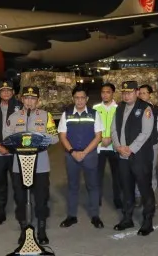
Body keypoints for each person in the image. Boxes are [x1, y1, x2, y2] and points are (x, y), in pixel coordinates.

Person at [3, 86, 59, 245]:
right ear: (22, 99)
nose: (29, 101)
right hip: (19, 165)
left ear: (38, 101)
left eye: (33, 98)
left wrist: (39, 137)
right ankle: (24, 228)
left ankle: (41, 229)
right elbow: (6, 138)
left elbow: (55, 138)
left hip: (40, 165)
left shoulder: (46, 116)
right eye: (27, 98)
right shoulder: (13, 117)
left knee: (41, 198)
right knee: (20, 198)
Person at [111, 81, 155, 236]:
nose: (126, 95)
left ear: (137, 92)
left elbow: (146, 132)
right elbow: (113, 129)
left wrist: (130, 149)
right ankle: (127, 218)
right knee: (126, 189)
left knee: (145, 189)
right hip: (123, 155)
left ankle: (148, 221)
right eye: (124, 92)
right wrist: (118, 146)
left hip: (139, 156)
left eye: (129, 92)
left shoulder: (145, 108)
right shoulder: (120, 107)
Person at [58, 85, 104, 229]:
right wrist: (72, 152)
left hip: (89, 155)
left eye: (82, 98)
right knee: (73, 186)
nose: (79, 101)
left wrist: (84, 153)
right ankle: (71, 216)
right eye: (77, 98)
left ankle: (95, 216)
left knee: (93, 186)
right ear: (73, 99)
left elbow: (98, 137)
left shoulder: (94, 114)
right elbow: (62, 136)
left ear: (87, 99)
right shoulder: (66, 114)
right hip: (71, 155)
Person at [0, 80, 23, 225]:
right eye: (3, 90)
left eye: (9, 90)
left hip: (15, 153)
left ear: (13, 92)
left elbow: (23, 129)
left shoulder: (20, 107)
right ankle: (1, 211)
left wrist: (13, 147)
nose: (6, 92)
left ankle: (21, 211)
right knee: (0, 183)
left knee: (18, 183)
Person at [93, 83, 122, 209]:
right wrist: (100, 140)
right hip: (99, 147)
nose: (105, 94)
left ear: (113, 93)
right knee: (97, 175)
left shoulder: (119, 108)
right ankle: (97, 198)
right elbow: (92, 127)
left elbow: (121, 127)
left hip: (114, 147)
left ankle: (117, 199)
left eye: (108, 92)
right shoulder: (95, 108)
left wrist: (111, 138)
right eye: (103, 92)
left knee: (117, 176)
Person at [135, 84, 158, 207]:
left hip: (152, 145)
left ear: (150, 94)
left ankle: (151, 197)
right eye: (140, 93)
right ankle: (138, 196)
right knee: (138, 170)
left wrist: (154, 140)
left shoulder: (156, 109)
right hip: (138, 146)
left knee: (151, 171)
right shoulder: (134, 108)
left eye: (145, 93)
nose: (142, 95)